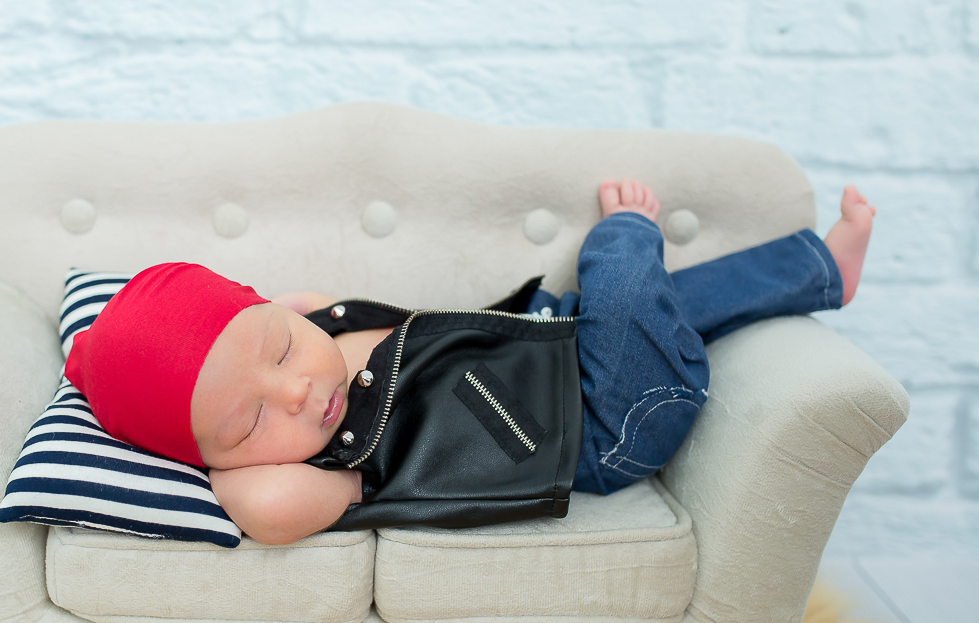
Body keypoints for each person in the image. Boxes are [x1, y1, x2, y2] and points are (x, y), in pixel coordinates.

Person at [65, 180, 875, 545]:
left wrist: (267, 340)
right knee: (624, 270)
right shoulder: (314, 474)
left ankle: (820, 272)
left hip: (555, 339)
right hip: (606, 427)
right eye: (251, 421)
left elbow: (290, 313)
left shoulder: (309, 325)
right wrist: (211, 455)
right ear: (217, 460)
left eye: (278, 349)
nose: (300, 391)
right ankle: (631, 231)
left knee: (668, 302)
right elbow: (265, 502)